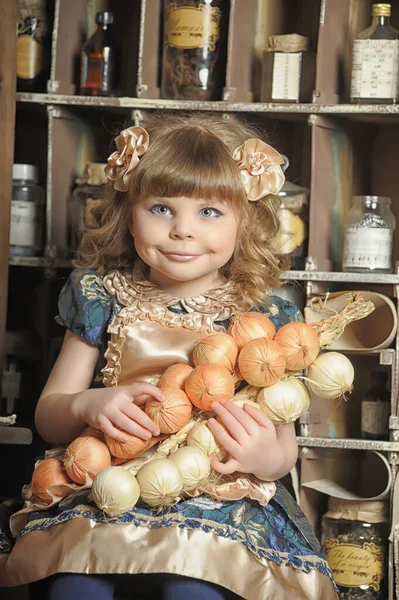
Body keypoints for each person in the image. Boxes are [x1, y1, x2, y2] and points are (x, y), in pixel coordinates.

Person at [0, 113, 338, 599]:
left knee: (193, 585)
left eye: (209, 212)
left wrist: (266, 457)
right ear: (127, 210)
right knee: (76, 584)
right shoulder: (104, 296)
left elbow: (283, 448)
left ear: (246, 220)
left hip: (216, 496)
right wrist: (86, 405)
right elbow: (49, 415)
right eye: (161, 208)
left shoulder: (263, 319)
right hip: (111, 484)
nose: (182, 230)